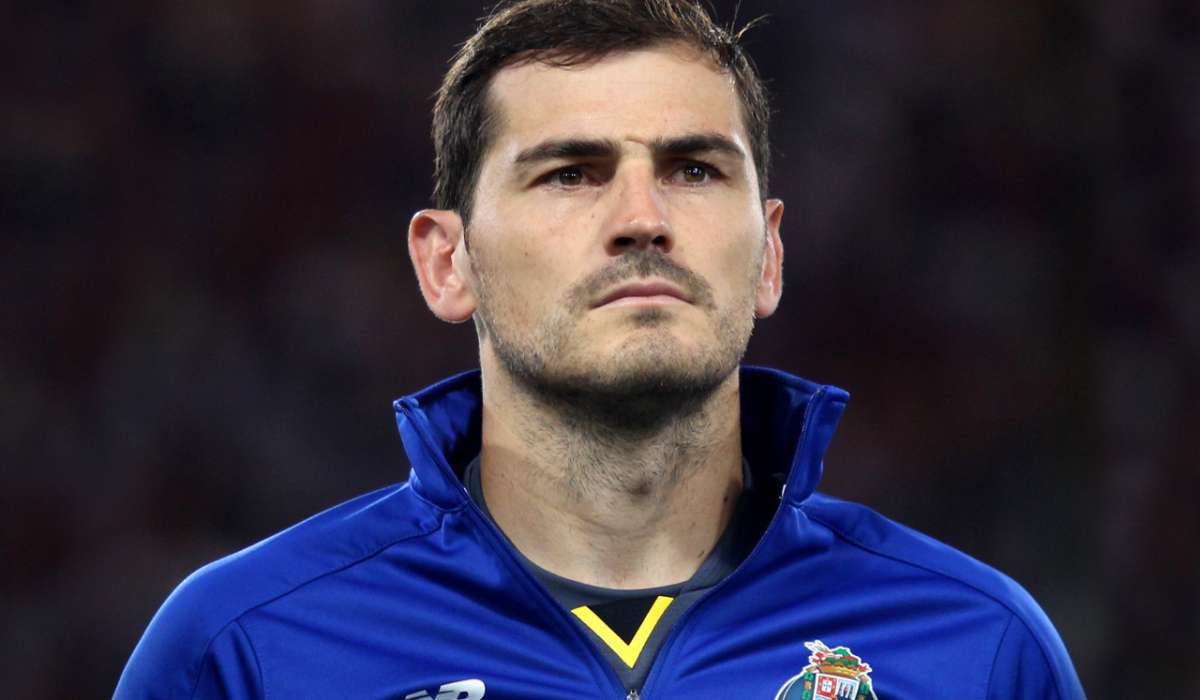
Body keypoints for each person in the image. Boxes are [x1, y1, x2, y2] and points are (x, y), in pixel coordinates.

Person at [116, 1, 1085, 698]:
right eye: (572, 173)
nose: (642, 218)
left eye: (694, 169)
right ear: (447, 262)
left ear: (769, 255)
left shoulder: (976, 650)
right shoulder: (245, 651)